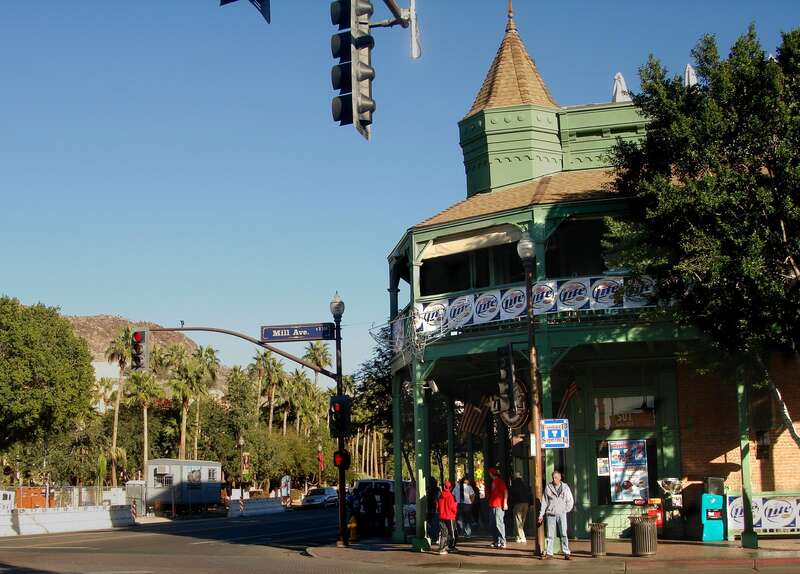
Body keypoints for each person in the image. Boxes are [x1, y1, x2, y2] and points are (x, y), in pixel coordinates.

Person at [538, 470, 574, 560]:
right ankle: (549, 553)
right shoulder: (548, 487)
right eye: (553, 477)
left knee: (564, 534)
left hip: (561, 514)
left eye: (556, 477)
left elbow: (570, 500)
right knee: (550, 535)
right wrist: (541, 515)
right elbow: (544, 502)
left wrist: (565, 510)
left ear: (560, 478)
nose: (554, 479)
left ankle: (566, 552)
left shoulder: (565, 487)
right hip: (551, 514)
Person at [487, 467, 508, 549]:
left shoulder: (499, 481)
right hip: (493, 505)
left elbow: (505, 491)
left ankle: (502, 541)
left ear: (492, 474)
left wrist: (505, 503)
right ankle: (496, 540)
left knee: (499, 523)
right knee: (493, 524)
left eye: (490, 473)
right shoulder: (494, 481)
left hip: (499, 505)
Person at [436, 480, 458, 554]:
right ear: (450, 487)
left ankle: (441, 548)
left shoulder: (440, 496)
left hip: (442, 516)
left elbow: (437, 506)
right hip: (450, 517)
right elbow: (453, 507)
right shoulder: (451, 496)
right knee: (453, 533)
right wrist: (455, 513)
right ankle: (451, 546)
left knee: (444, 533)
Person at [509, 471, 531, 543]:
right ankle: (518, 536)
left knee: (518, 521)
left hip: (518, 504)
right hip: (526, 504)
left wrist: (510, 505)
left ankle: (522, 536)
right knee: (522, 521)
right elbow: (529, 493)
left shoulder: (514, 484)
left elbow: (511, 495)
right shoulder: (524, 484)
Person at [426, 477, 441, 543]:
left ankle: (431, 536)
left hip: (429, 508)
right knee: (435, 523)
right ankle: (435, 537)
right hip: (436, 508)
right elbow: (439, 498)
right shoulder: (437, 490)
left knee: (430, 523)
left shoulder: (428, 489)